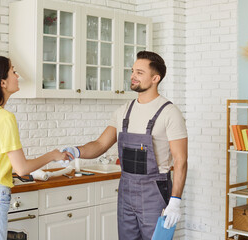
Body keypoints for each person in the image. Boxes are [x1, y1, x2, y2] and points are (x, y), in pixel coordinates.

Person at [64, 51, 188, 240]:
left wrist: (175, 201)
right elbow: (100, 144)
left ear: (155, 78)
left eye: (139, 72)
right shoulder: (124, 111)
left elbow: (181, 160)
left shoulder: (170, 113)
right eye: (132, 71)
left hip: (154, 192)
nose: (132, 76)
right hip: (126, 190)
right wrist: (76, 151)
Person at [0, 56, 70, 240]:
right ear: (2, 82)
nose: (18, 76)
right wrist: (52, 155)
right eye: (13, 72)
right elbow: (22, 168)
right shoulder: (4, 118)